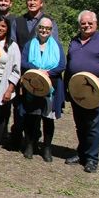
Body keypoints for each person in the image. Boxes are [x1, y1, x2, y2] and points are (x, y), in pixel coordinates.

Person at [65, 10, 99, 173]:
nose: (86, 25)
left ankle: (92, 159)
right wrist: (67, 87)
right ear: (79, 24)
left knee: (93, 125)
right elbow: (70, 64)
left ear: (96, 24)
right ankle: (82, 154)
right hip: (77, 90)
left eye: (90, 23)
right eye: (83, 23)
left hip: (96, 91)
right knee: (80, 124)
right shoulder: (74, 41)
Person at [20, 17, 65, 162]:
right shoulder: (29, 45)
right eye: (41, 28)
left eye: (47, 28)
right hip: (33, 85)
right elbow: (24, 62)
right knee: (32, 117)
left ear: (51, 30)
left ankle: (47, 147)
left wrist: (47, 73)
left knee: (48, 118)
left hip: (51, 86)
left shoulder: (57, 46)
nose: (44, 30)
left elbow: (62, 65)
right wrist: (37, 70)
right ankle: (30, 145)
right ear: (37, 29)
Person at [0, 16, 20, 158]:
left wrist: (10, 89)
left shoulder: (12, 46)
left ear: (8, 29)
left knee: (1, 115)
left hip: (2, 83)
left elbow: (16, 70)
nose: (0, 28)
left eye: (3, 26)